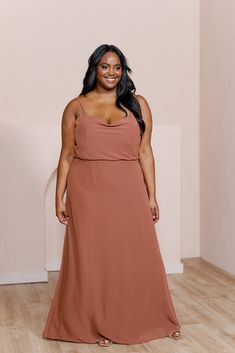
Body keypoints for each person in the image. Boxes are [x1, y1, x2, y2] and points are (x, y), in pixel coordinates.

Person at [42, 44, 182, 347]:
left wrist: (152, 195)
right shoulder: (76, 106)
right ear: (95, 68)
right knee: (93, 258)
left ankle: (150, 318)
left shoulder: (138, 104)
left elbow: (145, 151)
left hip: (129, 187)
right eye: (105, 66)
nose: (111, 72)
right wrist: (59, 197)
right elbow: (66, 156)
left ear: (123, 71)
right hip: (87, 189)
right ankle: (95, 325)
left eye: (117, 67)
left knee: (135, 254)